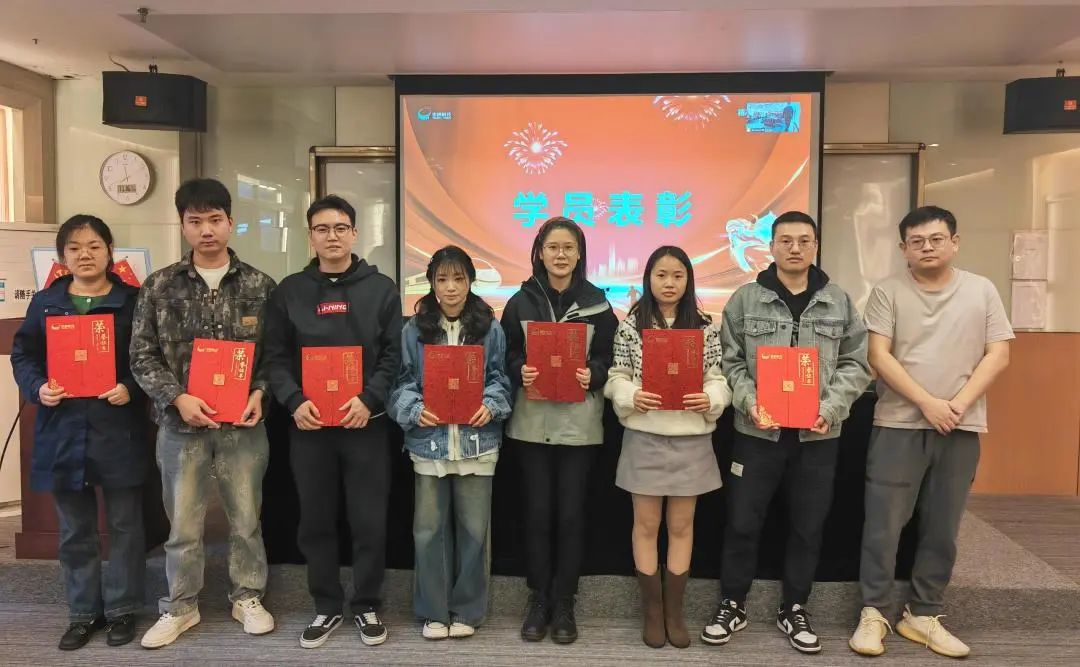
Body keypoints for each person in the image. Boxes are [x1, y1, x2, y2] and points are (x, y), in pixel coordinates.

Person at [849, 206, 1012, 659]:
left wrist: (956, 405)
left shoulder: (982, 290)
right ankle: (874, 612)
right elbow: (878, 356)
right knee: (883, 526)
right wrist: (927, 402)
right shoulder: (888, 291)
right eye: (916, 241)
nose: (927, 248)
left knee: (944, 526)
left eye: (936, 239)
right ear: (903, 248)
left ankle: (923, 613)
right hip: (898, 424)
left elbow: (998, 354)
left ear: (954, 242)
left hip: (960, 425)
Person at [705, 211, 871, 654]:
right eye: (786, 240)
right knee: (742, 522)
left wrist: (831, 408)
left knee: (807, 527)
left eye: (804, 240)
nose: (795, 248)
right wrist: (750, 403)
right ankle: (732, 603)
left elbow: (857, 363)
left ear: (815, 245)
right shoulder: (745, 299)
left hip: (818, 437)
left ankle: (794, 607)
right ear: (772, 246)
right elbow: (730, 361)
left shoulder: (838, 301)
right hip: (756, 433)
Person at [130, 178, 277, 649]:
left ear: (231, 222)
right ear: (183, 226)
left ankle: (247, 596)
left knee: (246, 518)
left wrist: (261, 392)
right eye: (196, 221)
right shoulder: (159, 286)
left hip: (243, 424)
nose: (206, 230)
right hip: (181, 425)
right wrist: (177, 398)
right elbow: (142, 355)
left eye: (215, 219)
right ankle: (180, 605)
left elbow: (275, 354)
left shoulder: (260, 285)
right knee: (183, 524)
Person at [261, 194, 402, 649]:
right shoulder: (290, 291)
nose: (332, 236)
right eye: (322, 229)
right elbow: (275, 356)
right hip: (311, 427)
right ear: (311, 236)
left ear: (355, 233)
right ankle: (325, 604)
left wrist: (369, 398)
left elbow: (393, 355)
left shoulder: (381, 290)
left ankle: (366, 604)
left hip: (365, 425)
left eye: (341, 228)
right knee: (315, 521)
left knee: (369, 521)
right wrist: (293, 400)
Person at [11, 215, 148, 650]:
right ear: (62, 256)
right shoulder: (46, 302)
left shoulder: (133, 301)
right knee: (75, 529)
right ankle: (83, 613)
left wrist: (131, 387)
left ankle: (123, 609)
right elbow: (24, 355)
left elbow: (151, 357)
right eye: (74, 248)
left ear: (110, 251)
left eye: (94, 246)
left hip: (117, 426)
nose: (85, 254)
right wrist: (38, 387)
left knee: (125, 525)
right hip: (63, 428)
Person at [604, 245, 732, 649]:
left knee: (681, 526)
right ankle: (652, 611)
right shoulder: (632, 325)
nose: (669, 283)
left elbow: (718, 377)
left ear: (688, 280)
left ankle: (675, 612)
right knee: (645, 525)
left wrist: (711, 398)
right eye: (661, 275)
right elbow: (616, 376)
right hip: (645, 435)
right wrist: (631, 395)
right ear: (648, 279)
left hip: (691, 438)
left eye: (678, 275)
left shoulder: (705, 326)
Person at [501, 216, 618, 644]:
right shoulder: (520, 302)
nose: (561, 255)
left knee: (570, 516)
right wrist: (520, 369)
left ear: (580, 253)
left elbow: (610, 357)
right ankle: (538, 599)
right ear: (540, 252)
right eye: (553, 247)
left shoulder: (598, 304)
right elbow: (505, 353)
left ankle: (565, 600)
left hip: (578, 426)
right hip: (531, 423)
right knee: (536, 514)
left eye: (568, 247)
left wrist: (594, 374)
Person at [388, 246, 513, 640]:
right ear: (431, 283)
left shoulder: (489, 327)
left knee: (475, 531)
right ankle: (433, 611)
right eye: (442, 279)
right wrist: (414, 409)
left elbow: (501, 378)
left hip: (477, 444)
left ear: (470, 281)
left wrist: (491, 405)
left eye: (458, 278)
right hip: (430, 444)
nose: (451, 287)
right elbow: (400, 382)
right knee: (428, 531)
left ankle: (468, 610)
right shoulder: (414, 328)